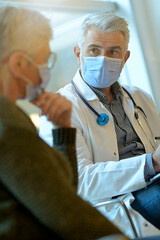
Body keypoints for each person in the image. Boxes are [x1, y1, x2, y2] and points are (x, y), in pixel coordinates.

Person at [0, 6, 129, 240]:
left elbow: (61, 189)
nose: (46, 70)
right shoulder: (8, 123)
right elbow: (65, 210)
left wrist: (63, 131)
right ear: (18, 64)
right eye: (43, 60)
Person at [39, 11, 160, 238]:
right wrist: (150, 163)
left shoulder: (140, 98)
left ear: (125, 58)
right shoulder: (59, 110)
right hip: (118, 208)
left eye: (114, 51)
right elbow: (79, 182)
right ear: (78, 54)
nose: (103, 59)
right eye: (94, 50)